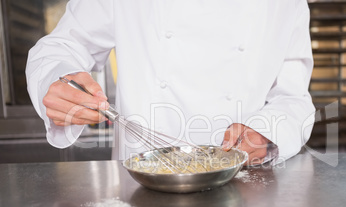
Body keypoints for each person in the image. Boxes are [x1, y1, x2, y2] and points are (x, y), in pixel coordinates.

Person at [26, 0, 315, 166]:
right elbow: (62, 46)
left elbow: (294, 98)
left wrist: (265, 132)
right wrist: (56, 79)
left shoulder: (286, 4)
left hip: (239, 187)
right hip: (140, 182)